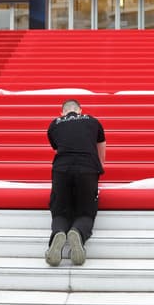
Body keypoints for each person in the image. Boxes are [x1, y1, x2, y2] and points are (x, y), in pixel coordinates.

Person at [45, 99, 106, 266]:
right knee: (86, 212)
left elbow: (59, 148)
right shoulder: (92, 121)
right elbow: (101, 144)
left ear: (62, 113)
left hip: (62, 169)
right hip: (87, 168)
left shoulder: (54, 124)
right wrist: (100, 165)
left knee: (60, 211)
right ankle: (77, 233)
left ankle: (58, 233)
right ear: (80, 110)